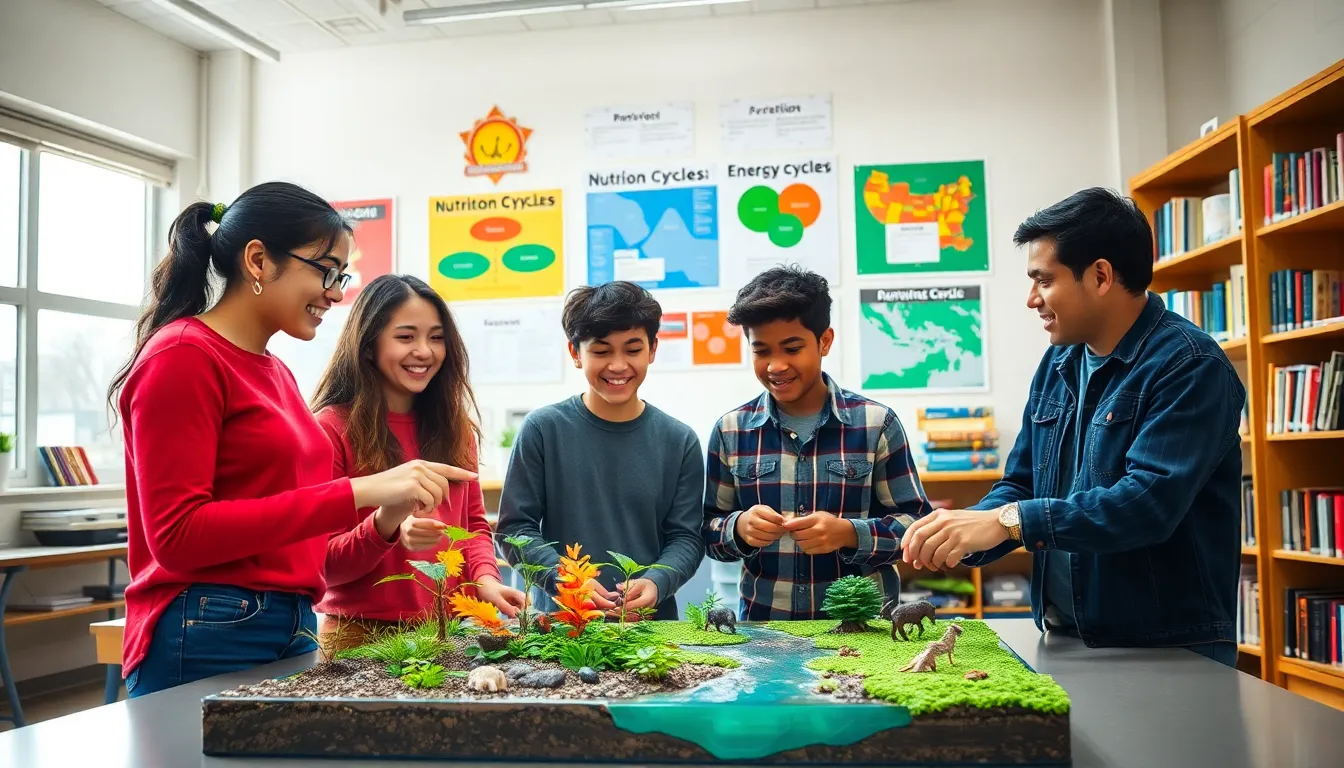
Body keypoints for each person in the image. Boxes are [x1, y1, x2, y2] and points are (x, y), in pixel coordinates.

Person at [109, 183, 474, 698]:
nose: (336, 291)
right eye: (326, 270)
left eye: (341, 275)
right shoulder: (183, 356)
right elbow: (178, 536)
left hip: (293, 620)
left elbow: (298, 527)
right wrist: (364, 491)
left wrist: (381, 514)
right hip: (211, 622)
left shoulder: (275, 372)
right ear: (258, 260)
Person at [898, 187, 1245, 666]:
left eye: (1043, 280)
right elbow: (1020, 483)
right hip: (1063, 639)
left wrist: (1006, 523)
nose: (1030, 299)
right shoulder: (1059, 361)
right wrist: (963, 537)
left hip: (1166, 648)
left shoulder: (1190, 366)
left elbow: (1147, 503)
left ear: (1101, 275)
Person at [703, 265, 934, 619]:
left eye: (792, 348)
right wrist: (738, 528)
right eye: (761, 351)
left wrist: (849, 534)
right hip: (767, 632)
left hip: (864, 632)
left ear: (824, 341)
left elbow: (917, 526)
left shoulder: (876, 424)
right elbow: (708, 531)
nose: (776, 365)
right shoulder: (731, 431)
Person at [310, 274, 526, 653]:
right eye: (406, 337)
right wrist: (386, 522)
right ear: (367, 346)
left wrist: (486, 581)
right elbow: (323, 566)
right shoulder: (331, 428)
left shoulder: (455, 429)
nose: (425, 351)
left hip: (448, 632)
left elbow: (473, 525)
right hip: (358, 637)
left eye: (437, 337)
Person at [495, 281, 705, 621]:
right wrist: (565, 577)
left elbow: (687, 538)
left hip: (651, 630)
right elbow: (514, 530)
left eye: (632, 350)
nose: (618, 365)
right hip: (563, 627)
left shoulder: (679, 440)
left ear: (653, 349)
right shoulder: (543, 429)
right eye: (602, 351)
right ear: (576, 353)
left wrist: (658, 581)